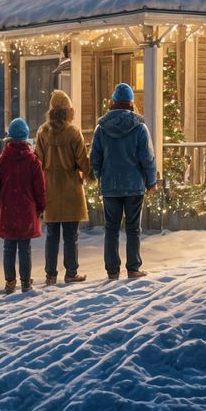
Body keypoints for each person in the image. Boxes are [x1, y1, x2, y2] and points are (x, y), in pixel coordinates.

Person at [89, 83, 157, 280]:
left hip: (110, 186)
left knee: (111, 228)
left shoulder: (101, 129)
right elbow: (148, 158)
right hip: (134, 185)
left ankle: (112, 270)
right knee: (133, 228)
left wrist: (100, 175)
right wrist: (151, 181)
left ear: (113, 102)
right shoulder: (140, 128)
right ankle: (133, 267)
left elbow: (95, 158)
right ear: (131, 103)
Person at [35, 89, 90, 284]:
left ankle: (50, 274)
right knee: (70, 234)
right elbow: (84, 163)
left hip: (49, 187)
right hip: (70, 189)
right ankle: (71, 272)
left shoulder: (42, 132)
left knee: (52, 235)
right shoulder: (74, 133)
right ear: (68, 111)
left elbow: (37, 161)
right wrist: (83, 173)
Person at [0, 118, 46, 292]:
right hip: (27, 210)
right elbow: (40, 188)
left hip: (7, 211)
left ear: (10, 138)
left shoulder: (2, 162)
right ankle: (26, 282)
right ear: (26, 137)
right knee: (24, 248)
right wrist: (41, 206)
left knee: (9, 247)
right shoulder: (33, 162)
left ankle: (10, 281)